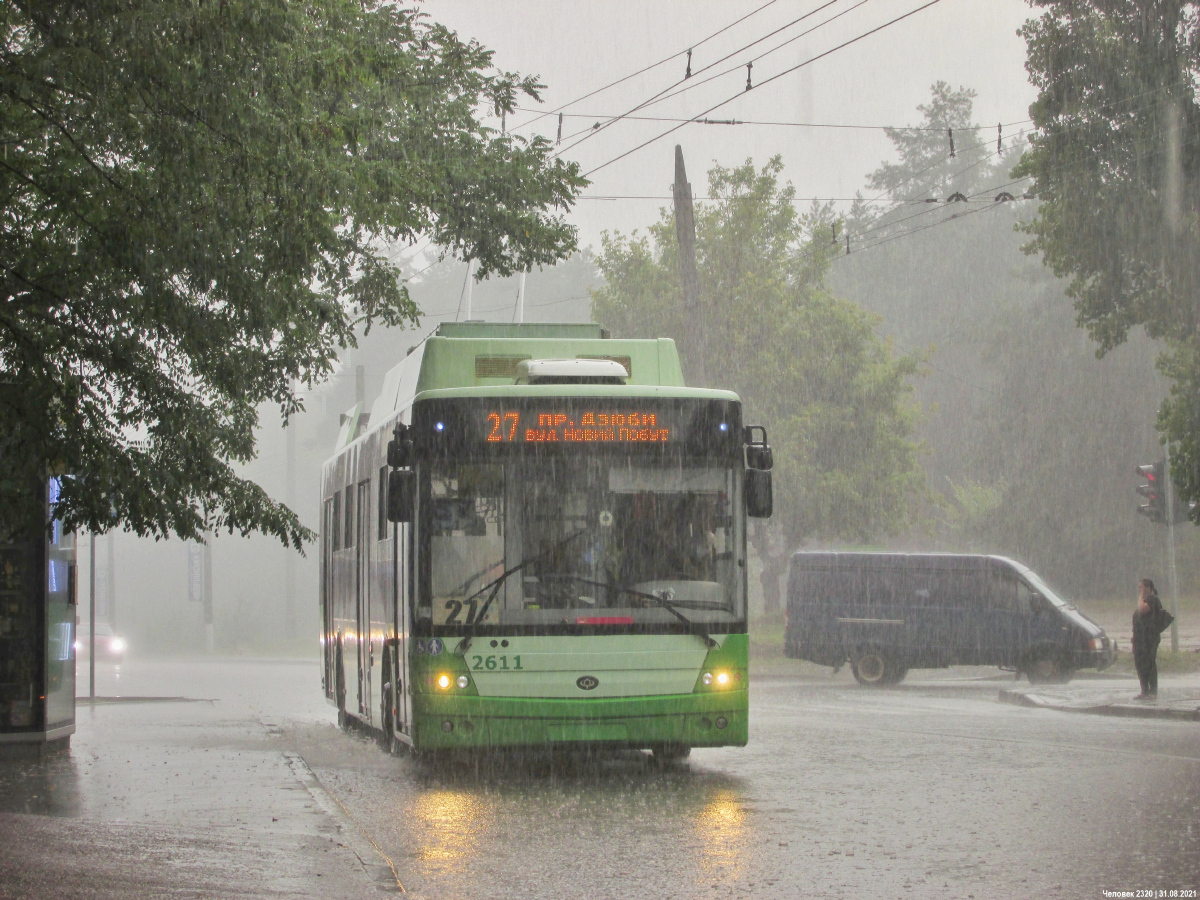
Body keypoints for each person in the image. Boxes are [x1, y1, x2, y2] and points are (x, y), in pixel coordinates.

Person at [1132, 578, 1164, 700]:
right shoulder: (1145, 600)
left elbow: (1142, 609)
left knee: (1149, 662)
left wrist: (1140, 597)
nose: (1139, 589)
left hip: (1150, 638)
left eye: (1141, 587)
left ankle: (1152, 691)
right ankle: (1144, 690)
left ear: (1148, 588)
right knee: (1139, 663)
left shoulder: (1153, 599)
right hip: (1139, 638)